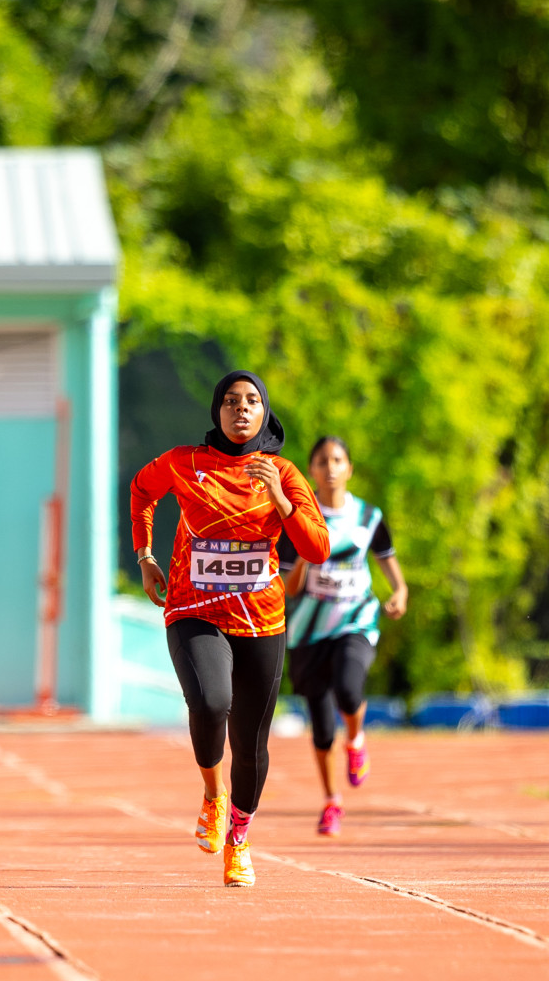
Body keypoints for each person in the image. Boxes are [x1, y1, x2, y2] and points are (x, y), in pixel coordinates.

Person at [130, 371, 330, 887]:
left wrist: (282, 503)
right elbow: (141, 490)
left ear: (265, 413)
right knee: (210, 701)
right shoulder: (184, 463)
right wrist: (146, 553)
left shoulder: (283, 473)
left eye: (252, 401)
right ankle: (213, 795)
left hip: (261, 619)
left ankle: (239, 841)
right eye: (231, 401)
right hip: (194, 609)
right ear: (216, 411)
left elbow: (316, 549)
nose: (241, 409)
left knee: (251, 741)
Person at [283, 436, 407, 837]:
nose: (331, 467)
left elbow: (386, 559)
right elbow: (289, 588)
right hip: (308, 631)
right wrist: (304, 552)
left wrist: (400, 591)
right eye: (322, 461)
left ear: (349, 468)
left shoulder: (369, 516)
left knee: (350, 690)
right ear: (311, 470)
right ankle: (331, 801)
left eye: (338, 460)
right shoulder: (299, 517)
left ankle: (356, 740)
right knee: (320, 727)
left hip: (356, 620)